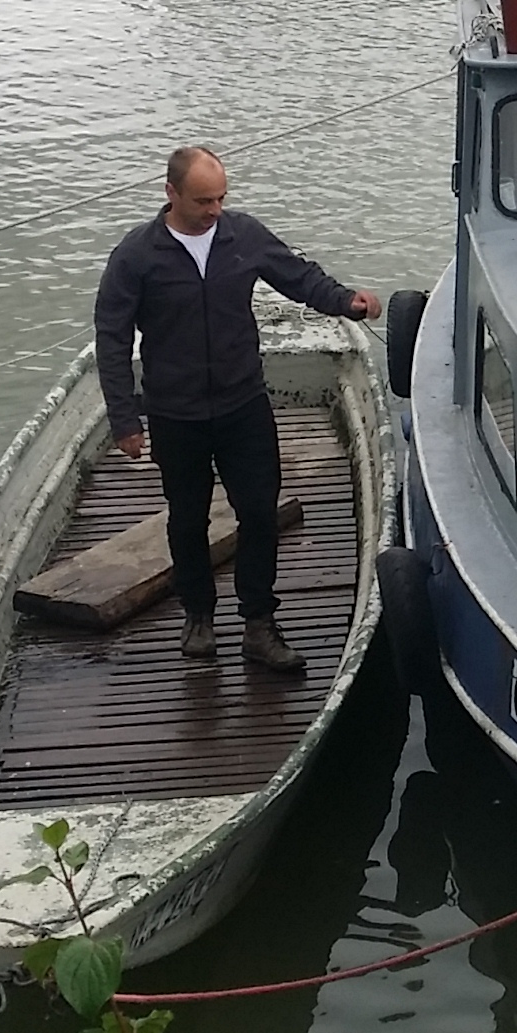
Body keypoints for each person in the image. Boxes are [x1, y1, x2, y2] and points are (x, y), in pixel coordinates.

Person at [95, 146, 379, 675]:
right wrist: (124, 419)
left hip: (242, 404)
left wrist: (346, 301)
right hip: (175, 413)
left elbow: (298, 276)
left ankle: (258, 625)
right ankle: (198, 617)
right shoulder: (136, 256)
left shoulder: (241, 235)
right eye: (203, 200)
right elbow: (111, 339)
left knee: (258, 513)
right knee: (187, 520)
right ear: (171, 193)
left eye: (222, 198)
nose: (214, 210)